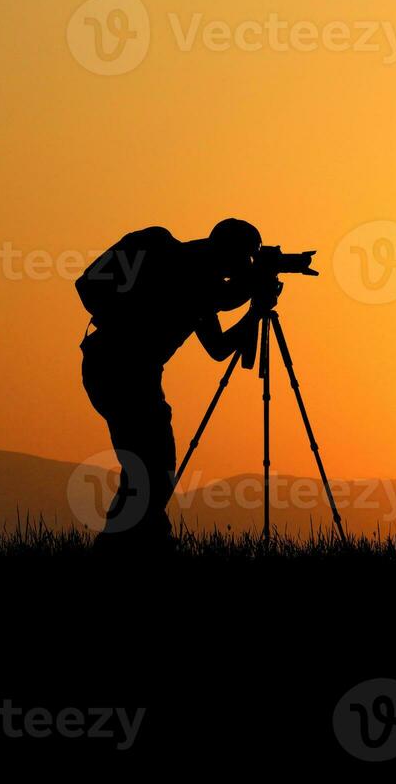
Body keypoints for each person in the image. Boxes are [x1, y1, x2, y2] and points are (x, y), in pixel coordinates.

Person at [77, 219, 278, 553]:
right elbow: (222, 298)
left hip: (125, 373)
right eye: (244, 260)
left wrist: (255, 310)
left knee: (147, 466)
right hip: (118, 371)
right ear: (227, 254)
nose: (243, 269)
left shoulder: (201, 281)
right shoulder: (182, 268)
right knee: (151, 466)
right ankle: (124, 544)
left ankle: (134, 541)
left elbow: (218, 347)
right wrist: (254, 293)